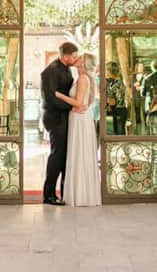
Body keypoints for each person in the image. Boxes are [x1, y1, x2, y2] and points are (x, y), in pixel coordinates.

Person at [54, 53, 101, 207]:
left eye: (79, 58)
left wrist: (58, 95)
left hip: (80, 120)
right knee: (80, 154)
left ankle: (80, 195)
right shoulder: (81, 78)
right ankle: (82, 194)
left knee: (79, 154)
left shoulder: (82, 79)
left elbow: (79, 103)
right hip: (79, 118)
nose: (76, 60)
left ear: (83, 63)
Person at [41, 42, 84, 205]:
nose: (75, 58)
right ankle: (49, 194)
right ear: (65, 56)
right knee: (57, 155)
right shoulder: (50, 71)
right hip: (55, 117)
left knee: (65, 155)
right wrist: (73, 106)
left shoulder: (67, 69)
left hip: (65, 116)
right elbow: (50, 98)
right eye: (73, 56)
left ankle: (65, 191)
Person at [106, 62, 127, 135]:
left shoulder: (117, 84)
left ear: (111, 71)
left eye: (107, 70)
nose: (106, 72)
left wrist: (105, 99)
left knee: (119, 137)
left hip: (119, 112)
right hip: (118, 111)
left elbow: (114, 101)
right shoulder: (114, 82)